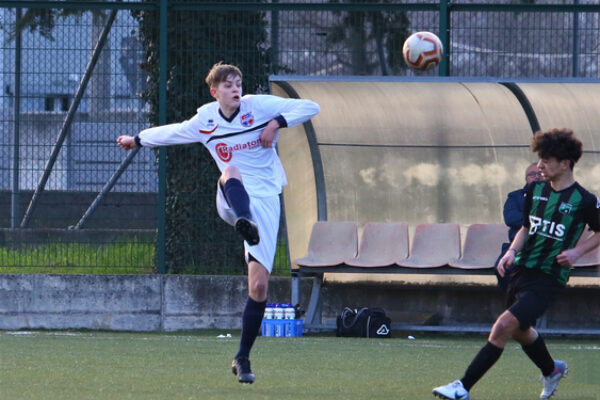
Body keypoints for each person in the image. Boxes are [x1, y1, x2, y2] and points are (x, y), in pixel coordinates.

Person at [117, 62, 320, 384]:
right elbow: (175, 131)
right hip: (232, 198)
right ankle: (243, 219)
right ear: (214, 92)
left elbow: (311, 106)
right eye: (227, 85)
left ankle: (242, 357)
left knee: (258, 287)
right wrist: (138, 139)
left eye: (238, 83)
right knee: (230, 171)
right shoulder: (206, 119)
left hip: (265, 200)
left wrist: (276, 124)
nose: (235, 88)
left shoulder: (259, 107)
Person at [433, 128, 600, 400]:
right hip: (521, 270)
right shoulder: (534, 190)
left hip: (550, 276)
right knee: (520, 330)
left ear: (565, 163)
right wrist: (511, 252)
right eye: (539, 159)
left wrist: (578, 252)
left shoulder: (585, 200)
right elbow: (525, 227)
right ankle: (552, 368)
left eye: (546, 160)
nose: (540, 166)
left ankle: (462, 387)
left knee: (502, 327)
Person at [494, 162, 545, 291]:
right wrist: (539, 219)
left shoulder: (555, 196)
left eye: (540, 173)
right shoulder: (515, 196)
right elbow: (511, 219)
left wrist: (526, 217)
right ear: (525, 178)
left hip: (545, 246)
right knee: (503, 268)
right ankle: (512, 303)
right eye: (532, 174)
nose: (536, 176)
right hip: (516, 247)